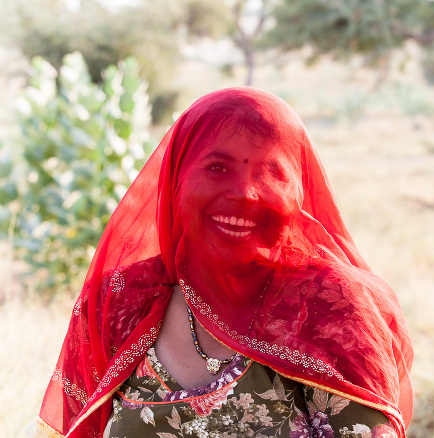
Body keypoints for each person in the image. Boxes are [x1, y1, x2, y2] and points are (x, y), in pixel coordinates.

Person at [30, 87, 413, 438]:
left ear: (297, 188)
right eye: (217, 168)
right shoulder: (121, 299)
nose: (245, 194)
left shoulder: (332, 306)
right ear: (178, 176)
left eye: (270, 173)